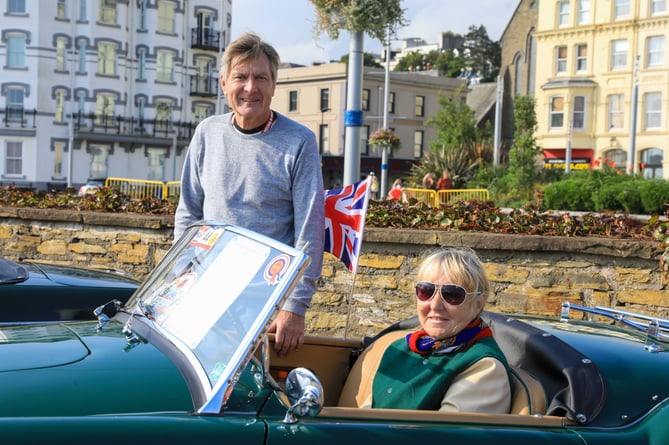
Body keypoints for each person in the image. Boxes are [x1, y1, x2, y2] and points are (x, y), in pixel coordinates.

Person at [173, 32, 324, 357]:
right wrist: (180, 278)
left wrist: (295, 308)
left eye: (261, 78)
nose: (250, 88)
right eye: (241, 77)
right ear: (224, 82)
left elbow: (309, 230)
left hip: (264, 301)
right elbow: (188, 215)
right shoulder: (206, 134)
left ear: (274, 85)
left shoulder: (300, 142)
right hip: (204, 295)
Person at [342, 247, 511, 413]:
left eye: (452, 294)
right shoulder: (401, 348)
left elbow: (441, 435)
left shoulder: (485, 366)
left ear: (478, 303)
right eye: (426, 291)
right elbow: (365, 415)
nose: (435, 305)